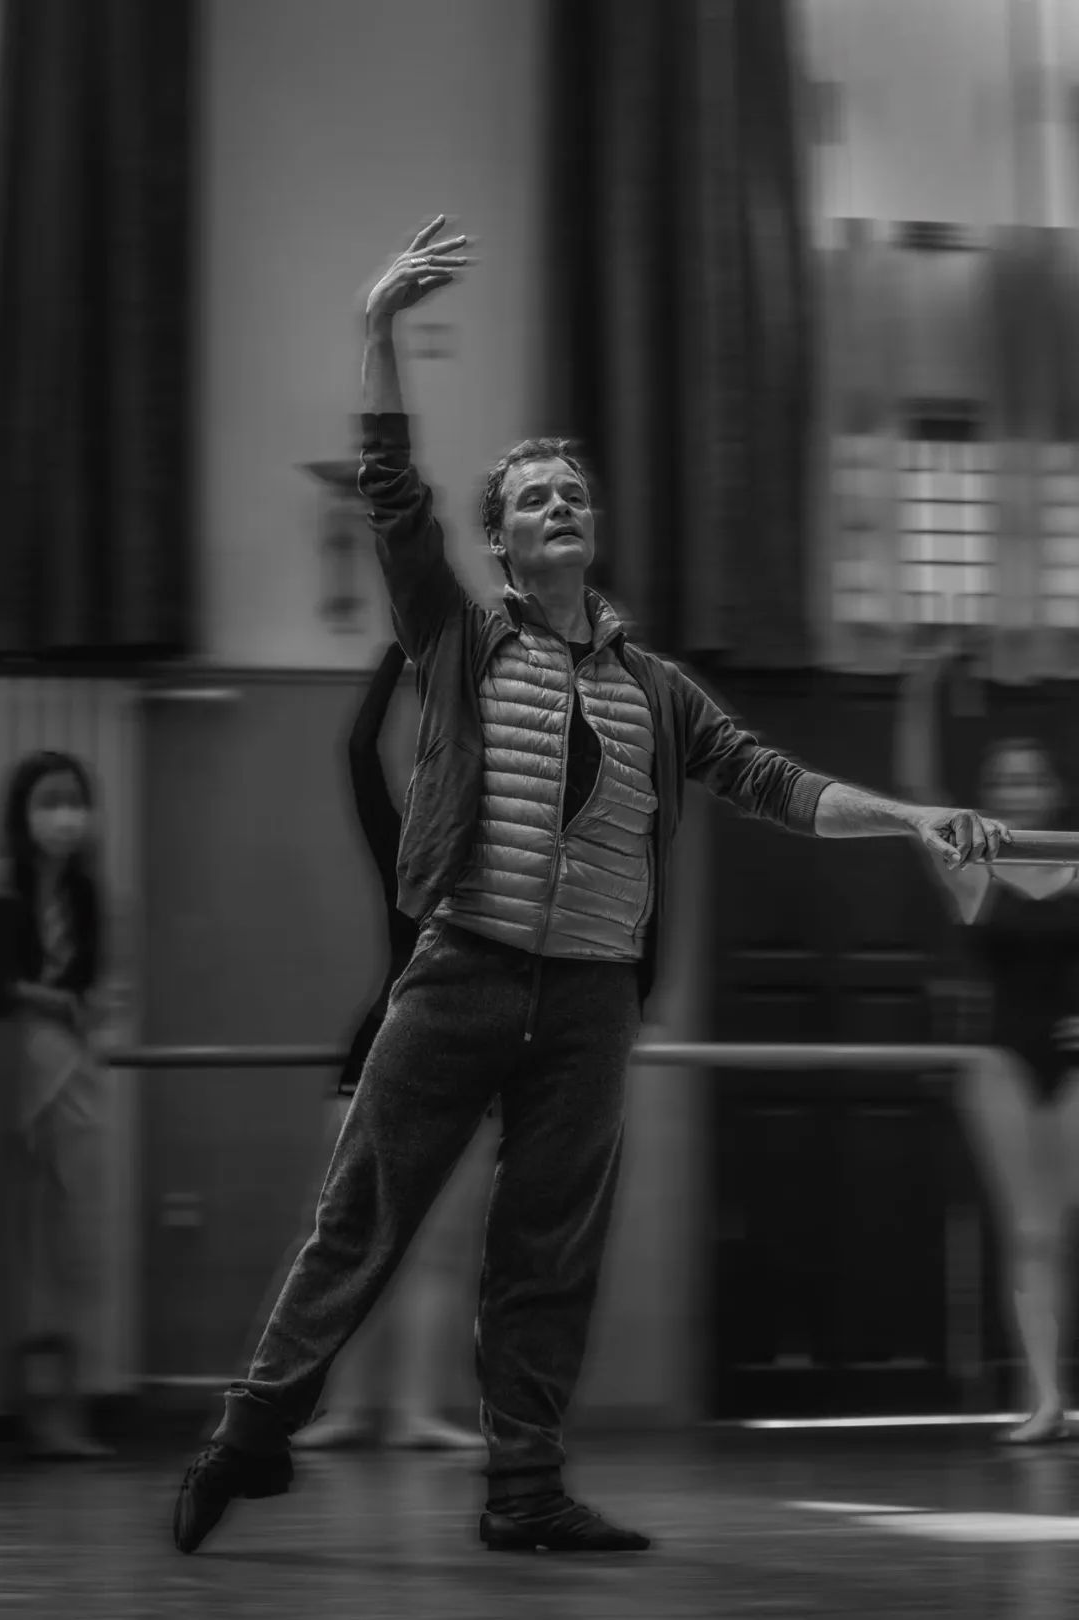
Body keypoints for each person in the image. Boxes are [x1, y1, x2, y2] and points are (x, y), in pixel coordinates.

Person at [173, 215, 1009, 1557]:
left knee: (548, 1253)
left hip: (589, 1001)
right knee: (360, 1216)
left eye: (574, 494)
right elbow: (394, 497)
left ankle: (524, 1491)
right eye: (534, 500)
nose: (561, 506)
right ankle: (252, 1433)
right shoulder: (457, 640)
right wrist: (376, 327)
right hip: (461, 966)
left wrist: (913, 819)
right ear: (503, 544)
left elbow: (777, 784)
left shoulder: (656, 692)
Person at [263, 639, 487, 1453]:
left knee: (438, 1253)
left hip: (463, 1073)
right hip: (376, 1065)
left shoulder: (509, 873)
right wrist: (399, 651)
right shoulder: (406, 858)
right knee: (349, 1242)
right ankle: (353, 1410)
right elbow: (360, 751)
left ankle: (415, 1412)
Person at [898, 642, 1079, 1445]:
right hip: (1002, 1059)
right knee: (1032, 1235)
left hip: (1074, 1062)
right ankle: (1047, 1400)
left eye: (1029, 779)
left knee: (1067, 1230)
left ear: (1052, 790)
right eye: (1003, 781)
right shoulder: (971, 870)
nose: (1017, 790)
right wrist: (921, 685)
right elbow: (916, 791)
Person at [0, 749, 112, 1460]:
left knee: (73, 1243)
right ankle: (21, 1409)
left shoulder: (86, 894)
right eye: (50, 801)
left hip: (69, 1068)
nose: (65, 816)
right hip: (15, 1065)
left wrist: (59, 1004)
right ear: (23, 812)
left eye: (75, 801)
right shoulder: (6, 890)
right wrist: (48, 1000)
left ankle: (67, 1413)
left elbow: (89, 983)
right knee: (17, 1243)